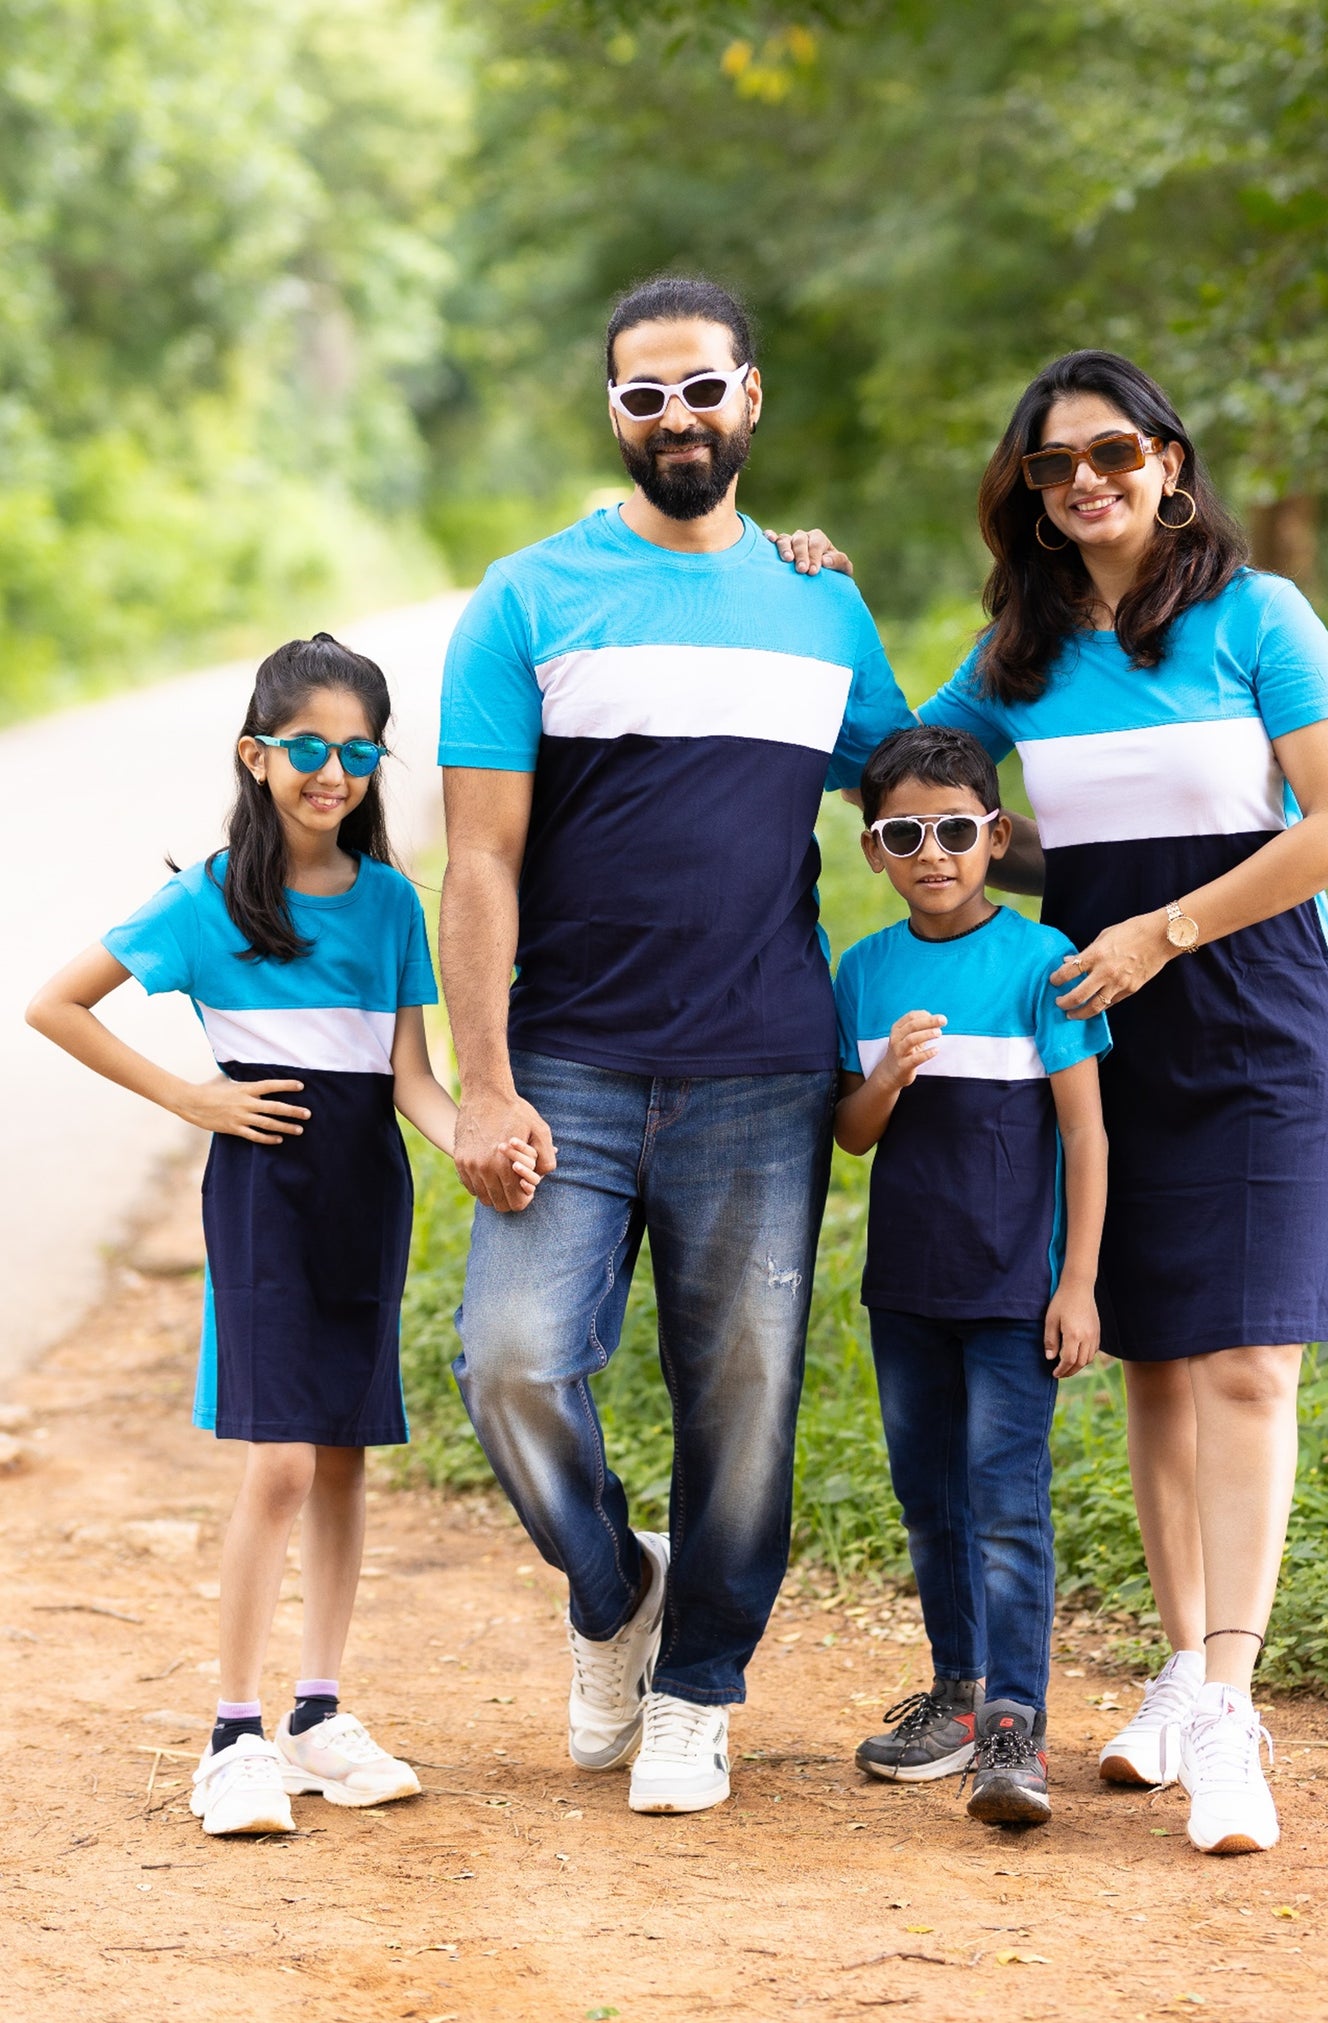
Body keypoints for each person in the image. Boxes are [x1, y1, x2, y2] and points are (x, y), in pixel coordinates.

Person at [780, 347, 1328, 1855]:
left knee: (1247, 1368)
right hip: (1102, 1040)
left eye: (1114, 450)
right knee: (1155, 1368)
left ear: (1167, 461)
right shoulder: (1023, 656)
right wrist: (826, 603)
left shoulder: (1259, 616)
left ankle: (1228, 1708)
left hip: (1264, 1033)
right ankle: (1180, 1669)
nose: (1086, 480)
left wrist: (1162, 930)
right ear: (1030, 494)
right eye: (1053, 464)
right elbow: (902, 772)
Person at [436, 273, 915, 1816]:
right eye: (645, 395)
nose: (677, 417)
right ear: (614, 413)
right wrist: (484, 1081)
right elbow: (478, 859)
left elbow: (918, 790)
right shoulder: (526, 597)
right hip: (566, 1062)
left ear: (749, 396)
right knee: (511, 1361)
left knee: (744, 1399)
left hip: (762, 1068)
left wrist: (1142, 887)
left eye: (702, 387)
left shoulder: (820, 603)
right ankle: (614, 1588)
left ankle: (700, 1685)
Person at [26, 634, 471, 1837]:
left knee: (344, 1455)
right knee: (279, 1462)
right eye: (308, 747)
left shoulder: (391, 903)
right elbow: (56, 1003)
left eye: (358, 753)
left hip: (367, 1194)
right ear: (254, 754)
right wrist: (193, 1099)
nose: (333, 772)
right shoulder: (210, 898)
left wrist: (476, 1150)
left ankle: (317, 1715)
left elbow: (411, 1082)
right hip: (263, 1195)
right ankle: (231, 1734)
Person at [834, 724, 1108, 1824]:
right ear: (873, 850)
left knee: (1005, 1503)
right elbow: (849, 1134)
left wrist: (1076, 1282)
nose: (932, 853)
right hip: (905, 1290)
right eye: (904, 835)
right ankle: (955, 1696)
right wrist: (889, 1075)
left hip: (1010, 1294)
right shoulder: (862, 971)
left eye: (954, 829)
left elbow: (1084, 1134)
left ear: (995, 836)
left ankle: (1013, 1725)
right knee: (928, 1500)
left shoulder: (1043, 962)